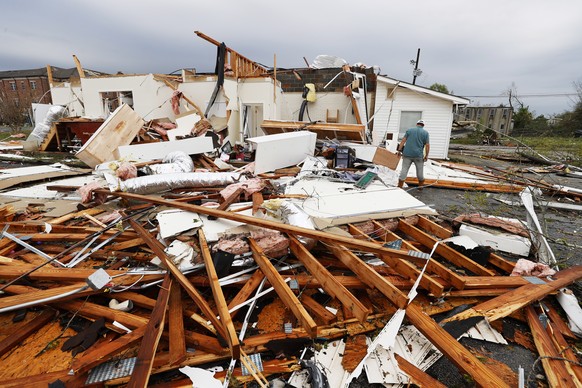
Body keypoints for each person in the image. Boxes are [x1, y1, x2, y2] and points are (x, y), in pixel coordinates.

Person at [397, 119, 430, 189]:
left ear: (417, 124)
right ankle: (420, 186)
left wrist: (399, 150)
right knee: (420, 171)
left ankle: (400, 186)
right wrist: (426, 155)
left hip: (407, 154)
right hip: (418, 155)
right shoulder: (425, 133)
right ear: (423, 125)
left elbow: (403, 141)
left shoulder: (409, 130)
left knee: (404, 170)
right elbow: (427, 145)